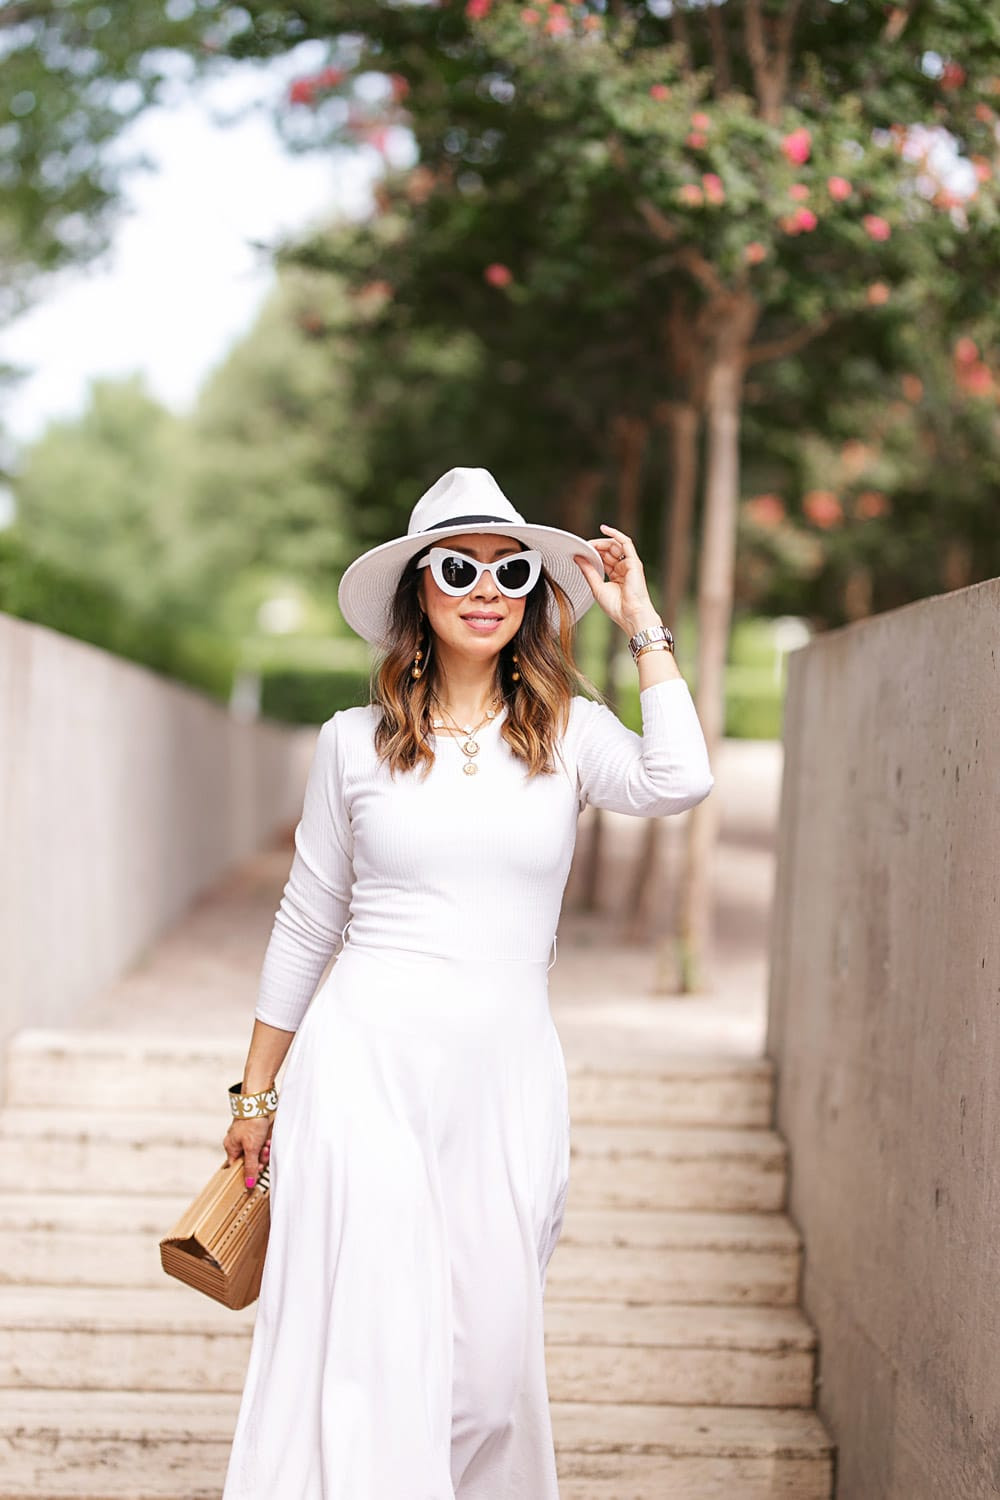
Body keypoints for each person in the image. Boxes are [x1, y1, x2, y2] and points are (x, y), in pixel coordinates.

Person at [221, 466, 714, 1500]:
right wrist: (255, 1096)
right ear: (420, 592)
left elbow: (681, 778)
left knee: (486, 1386)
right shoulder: (351, 744)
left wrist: (642, 625)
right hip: (365, 1072)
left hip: (506, 1080)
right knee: (367, 1361)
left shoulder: (569, 732)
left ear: (533, 596)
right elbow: (307, 918)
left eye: (510, 571)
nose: (486, 589)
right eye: (458, 568)